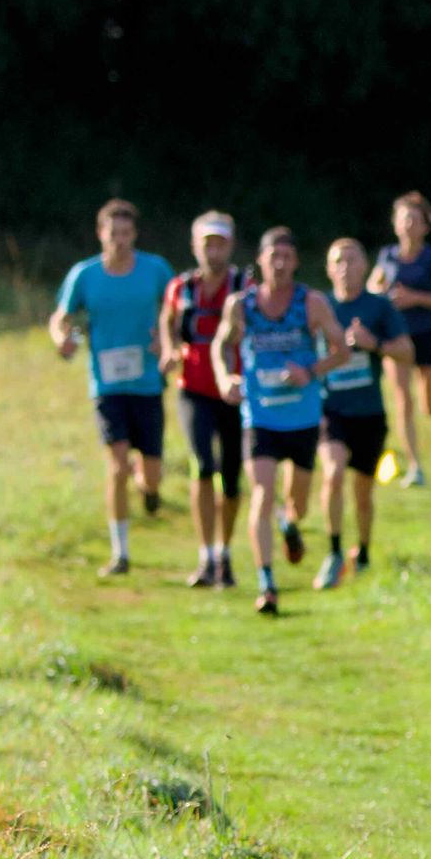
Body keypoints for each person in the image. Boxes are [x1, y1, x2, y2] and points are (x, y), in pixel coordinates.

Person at [214, 226, 339, 616]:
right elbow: (221, 344)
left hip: (302, 416)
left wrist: (310, 371)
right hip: (260, 416)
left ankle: (290, 522)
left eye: (287, 257)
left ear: (296, 262)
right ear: (261, 261)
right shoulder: (241, 305)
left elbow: (341, 349)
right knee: (262, 494)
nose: (280, 264)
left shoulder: (311, 303)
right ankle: (267, 583)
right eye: (273, 258)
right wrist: (225, 377)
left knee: (297, 502)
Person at [45, 197, 174, 573]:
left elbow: (177, 311)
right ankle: (121, 554)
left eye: (126, 233)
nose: (120, 240)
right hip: (106, 385)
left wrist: (167, 340)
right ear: (100, 234)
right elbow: (61, 316)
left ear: (135, 235)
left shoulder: (155, 270)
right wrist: (61, 339)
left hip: (148, 383)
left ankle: (148, 488)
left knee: (152, 473)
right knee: (116, 467)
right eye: (113, 233)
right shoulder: (85, 275)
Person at [311, 236, 401, 585]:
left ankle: (362, 552)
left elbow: (407, 351)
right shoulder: (319, 307)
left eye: (352, 260)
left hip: (369, 413)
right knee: (333, 473)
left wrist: (372, 344)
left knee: (363, 493)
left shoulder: (379, 307)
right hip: (331, 410)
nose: (346, 267)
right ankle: (334, 552)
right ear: (328, 268)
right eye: (339, 261)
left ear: (365, 266)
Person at [160, 212, 243, 589]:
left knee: (232, 477)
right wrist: (170, 349)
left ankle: (225, 553)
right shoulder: (181, 287)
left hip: (234, 391)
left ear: (231, 246)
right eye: (207, 243)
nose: (214, 251)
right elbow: (167, 322)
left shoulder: (244, 287)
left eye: (220, 243)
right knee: (203, 465)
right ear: (195, 246)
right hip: (193, 387)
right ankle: (205, 555)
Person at [372, 189, 431, 483]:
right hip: (395, 337)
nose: (408, 225)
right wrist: (383, 296)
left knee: (430, 407)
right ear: (395, 224)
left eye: (414, 220)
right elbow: (372, 289)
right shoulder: (387, 256)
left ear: (425, 227)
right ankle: (415, 467)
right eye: (403, 219)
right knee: (403, 400)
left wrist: (416, 298)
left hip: (425, 334)